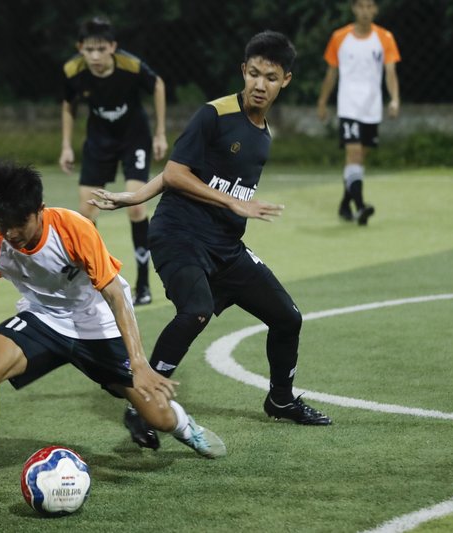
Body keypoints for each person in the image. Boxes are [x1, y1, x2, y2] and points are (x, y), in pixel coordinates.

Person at [0, 160, 226, 510]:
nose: (9, 232)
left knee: (157, 416)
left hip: (96, 324)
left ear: (39, 210)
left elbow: (115, 295)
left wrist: (139, 363)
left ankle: (184, 426)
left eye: (18, 222)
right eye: (1, 222)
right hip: (43, 319)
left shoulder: (74, 228)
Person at [90, 31, 332, 450]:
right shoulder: (214, 115)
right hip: (178, 235)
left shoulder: (263, 134)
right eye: (253, 73)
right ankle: (141, 404)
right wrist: (231, 204)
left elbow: (174, 176)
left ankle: (280, 399)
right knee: (196, 311)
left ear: (285, 81)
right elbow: (176, 172)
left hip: (225, 248)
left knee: (288, 318)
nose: (259, 84)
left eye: (270, 77)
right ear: (243, 71)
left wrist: (136, 194)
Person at [59, 15, 168, 306]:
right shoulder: (73, 70)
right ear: (80, 48)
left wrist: (159, 133)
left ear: (113, 47)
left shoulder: (130, 67)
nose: (95, 56)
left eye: (101, 49)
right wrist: (66, 146)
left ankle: (143, 283)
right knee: (86, 212)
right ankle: (94, 280)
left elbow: (157, 84)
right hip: (98, 140)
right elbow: (68, 106)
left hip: (134, 138)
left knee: (136, 207)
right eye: (89, 49)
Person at [317, 0, 401, 225]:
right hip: (348, 106)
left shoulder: (385, 38)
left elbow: (390, 72)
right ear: (354, 8)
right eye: (360, 6)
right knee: (353, 155)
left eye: (369, 6)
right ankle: (361, 206)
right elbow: (331, 73)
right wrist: (323, 101)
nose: (365, 11)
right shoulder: (339, 37)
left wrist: (394, 99)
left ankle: (345, 203)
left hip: (371, 108)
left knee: (359, 159)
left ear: (375, 10)